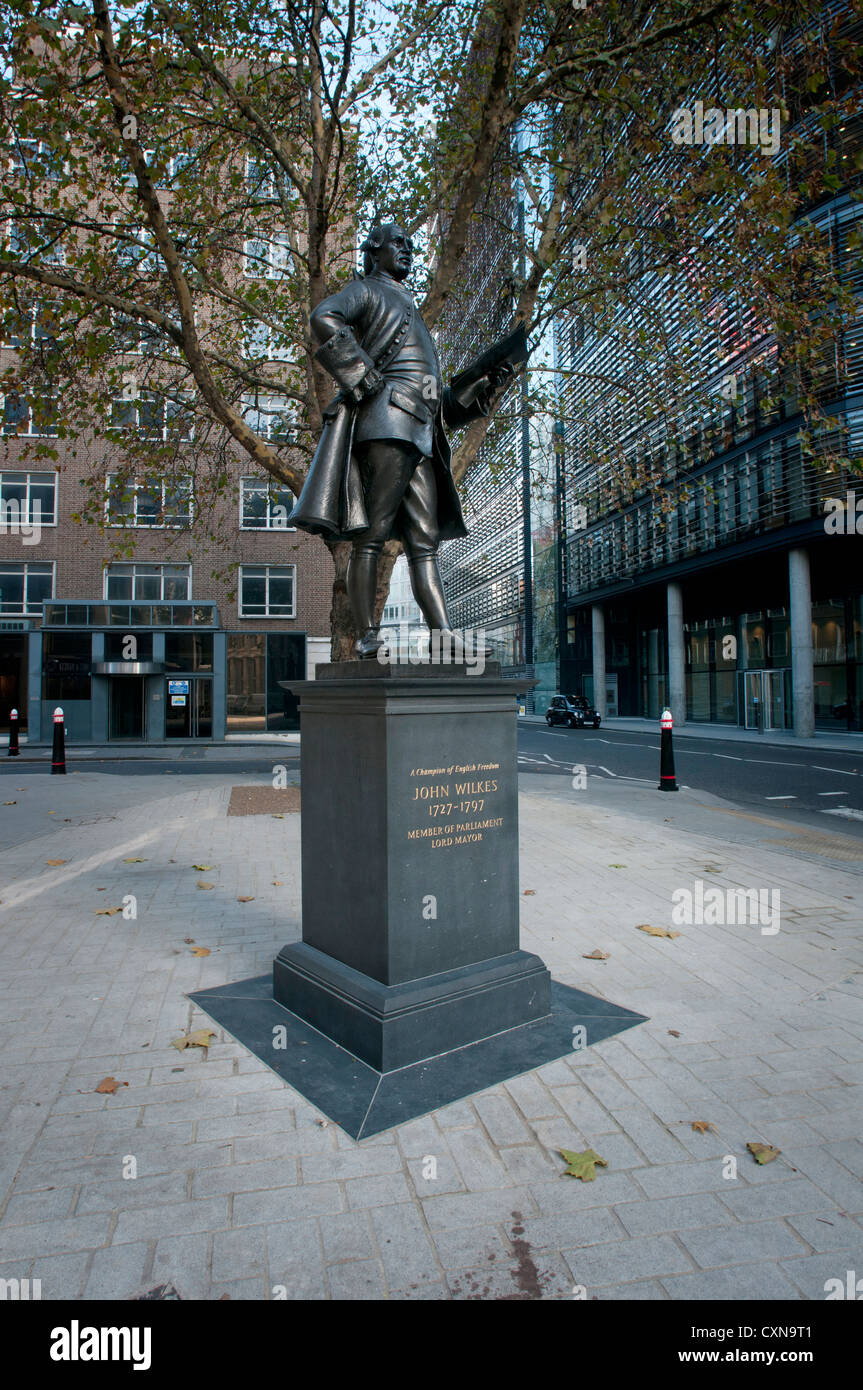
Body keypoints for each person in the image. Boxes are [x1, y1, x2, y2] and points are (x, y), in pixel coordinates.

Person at [290, 222, 516, 658]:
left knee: (424, 542)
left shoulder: (409, 305)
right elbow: (323, 316)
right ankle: (367, 636)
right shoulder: (367, 290)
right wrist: (358, 372)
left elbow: (440, 401)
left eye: (411, 245)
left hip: (423, 432)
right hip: (389, 424)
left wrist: (481, 385)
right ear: (374, 250)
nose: (407, 250)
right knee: (371, 536)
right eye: (398, 243)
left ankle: (443, 637)